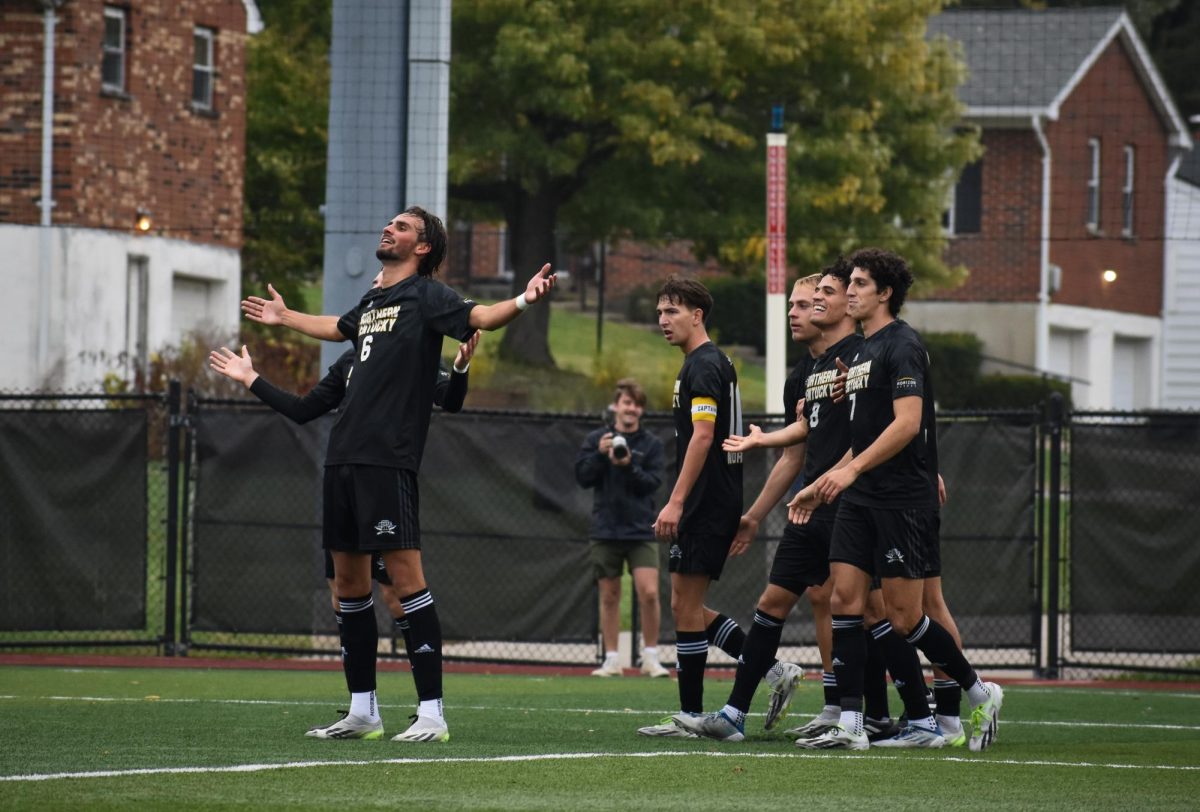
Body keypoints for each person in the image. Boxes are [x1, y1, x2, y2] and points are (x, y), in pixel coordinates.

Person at [240, 205, 555, 743]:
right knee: (348, 586)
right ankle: (363, 711)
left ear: (423, 246)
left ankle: (432, 714)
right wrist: (285, 318)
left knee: (407, 583)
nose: (388, 228)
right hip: (342, 461)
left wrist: (524, 299)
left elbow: (480, 318)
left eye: (402, 226)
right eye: (389, 223)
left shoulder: (428, 296)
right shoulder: (372, 302)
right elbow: (338, 329)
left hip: (388, 460)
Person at [788, 247, 1003, 751]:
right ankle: (852, 726)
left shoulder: (903, 344)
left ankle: (978, 693)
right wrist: (828, 480)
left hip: (902, 499)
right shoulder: (860, 351)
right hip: (862, 497)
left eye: (860, 283)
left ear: (884, 293)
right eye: (851, 282)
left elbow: (908, 423)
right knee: (844, 599)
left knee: (906, 616)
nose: (850, 290)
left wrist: (853, 470)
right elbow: (862, 430)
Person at [208, 325, 478, 660]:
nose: (380, 287)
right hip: (344, 480)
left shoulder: (416, 353)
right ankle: (363, 702)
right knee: (341, 589)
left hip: (383, 481)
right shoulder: (351, 360)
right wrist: (250, 378)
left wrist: (460, 368)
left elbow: (450, 399)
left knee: (396, 593)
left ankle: (426, 694)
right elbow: (303, 409)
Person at [637, 276, 745, 738]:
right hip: (710, 500)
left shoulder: (703, 365)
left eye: (672, 312)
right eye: (660, 312)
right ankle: (768, 664)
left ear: (697, 315)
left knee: (684, 605)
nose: (663, 320)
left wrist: (676, 502)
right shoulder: (702, 362)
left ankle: (693, 714)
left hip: (705, 502)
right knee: (686, 604)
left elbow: (704, 436)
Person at [575, 378, 670, 678]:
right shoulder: (596, 439)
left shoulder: (652, 445)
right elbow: (583, 477)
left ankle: (651, 656)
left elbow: (653, 484)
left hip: (641, 528)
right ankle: (612, 659)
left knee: (650, 592)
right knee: (609, 595)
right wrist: (600, 456)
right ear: (616, 406)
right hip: (605, 528)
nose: (632, 409)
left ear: (641, 410)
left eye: (637, 404)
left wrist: (629, 465)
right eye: (627, 402)